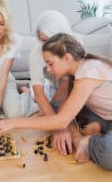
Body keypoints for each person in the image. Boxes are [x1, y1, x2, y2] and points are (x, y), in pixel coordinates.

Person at [0, 33, 112, 171]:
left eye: (50, 63)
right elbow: (57, 105)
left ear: (66, 58)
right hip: (105, 114)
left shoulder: (89, 71)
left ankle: (89, 139)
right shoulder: (74, 72)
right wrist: (67, 127)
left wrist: (13, 123)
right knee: (55, 106)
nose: (48, 69)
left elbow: (61, 121)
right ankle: (96, 128)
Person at [29, 10, 82, 155]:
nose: (45, 46)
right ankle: (27, 91)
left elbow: (71, 85)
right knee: (38, 99)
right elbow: (40, 95)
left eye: (49, 40)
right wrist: (58, 127)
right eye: (42, 40)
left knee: (55, 114)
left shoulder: (76, 44)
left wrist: (59, 123)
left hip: (70, 87)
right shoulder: (35, 54)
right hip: (49, 87)